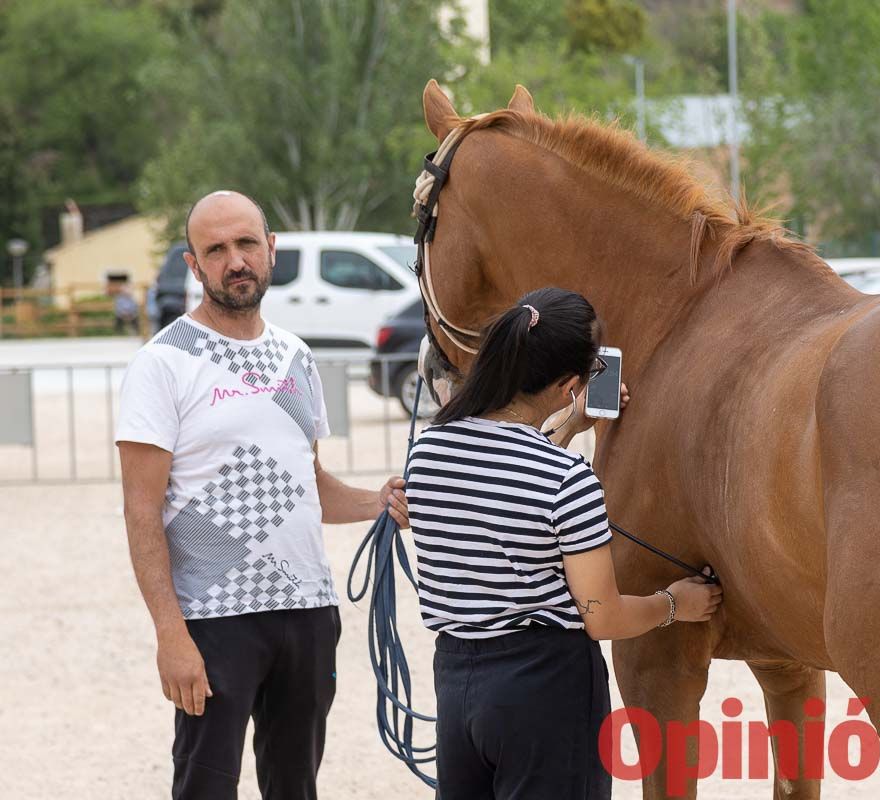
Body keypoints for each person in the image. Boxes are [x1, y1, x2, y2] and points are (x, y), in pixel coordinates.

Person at [114, 190, 409, 800]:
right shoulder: (163, 363)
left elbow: (311, 484)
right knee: (204, 786)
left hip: (307, 612)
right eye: (215, 250)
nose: (235, 260)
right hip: (212, 620)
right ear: (194, 266)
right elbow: (141, 513)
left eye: (246, 243)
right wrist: (171, 635)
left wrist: (378, 501)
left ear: (270, 249)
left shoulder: (295, 356)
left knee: (296, 787)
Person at [404, 286, 724, 799]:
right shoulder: (564, 478)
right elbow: (603, 616)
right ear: (570, 384)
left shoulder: (429, 451)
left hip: (458, 681)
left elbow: (500, 481)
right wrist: (675, 604)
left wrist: (571, 425)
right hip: (544, 686)